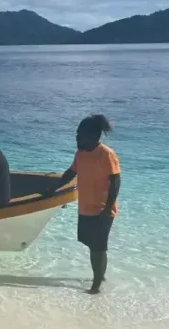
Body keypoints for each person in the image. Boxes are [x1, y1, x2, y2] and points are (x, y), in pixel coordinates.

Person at [48, 114, 121, 295]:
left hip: (102, 210)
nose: (77, 137)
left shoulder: (106, 154)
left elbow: (116, 182)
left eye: (80, 134)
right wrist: (53, 190)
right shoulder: (80, 154)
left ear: (92, 135)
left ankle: (97, 285)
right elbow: (70, 173)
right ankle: (100, 276)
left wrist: (107, 208)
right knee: (90, 244)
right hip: (85, 208)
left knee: (98, 247)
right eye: (76, 134)